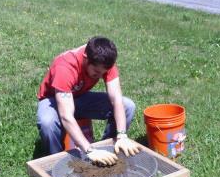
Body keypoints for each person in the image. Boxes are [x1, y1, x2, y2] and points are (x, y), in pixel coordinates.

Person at [36, 36, 141, 165]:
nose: (101, 75)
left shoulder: (105, 61)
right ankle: (57, 164)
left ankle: (108, 152)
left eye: (104, 72)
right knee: (48, 122)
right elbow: (66, 116)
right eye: (97, 72)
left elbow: (116, 100)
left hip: (79, 97)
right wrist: (89, 150)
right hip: (53, 101)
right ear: (86, 57)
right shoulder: (65, 67)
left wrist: (122, 135)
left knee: (128, 106)